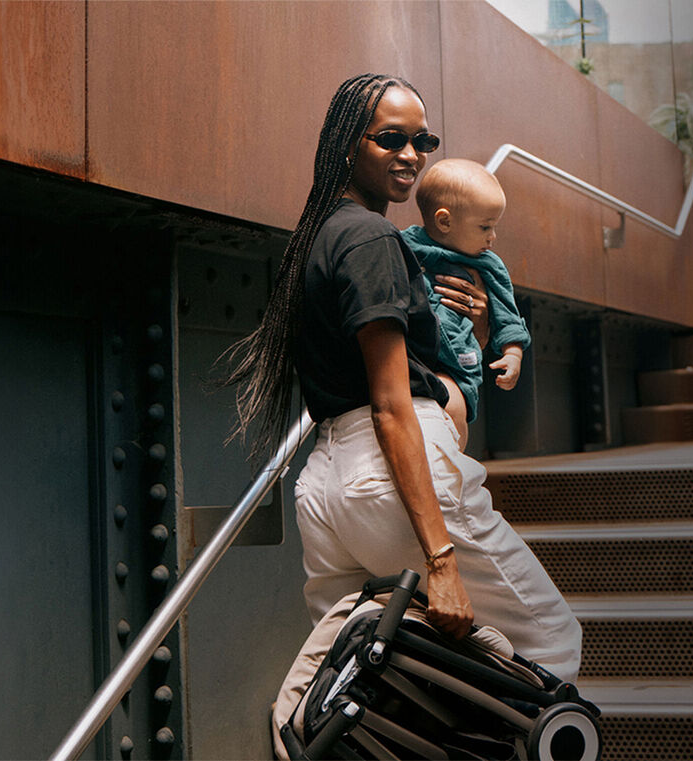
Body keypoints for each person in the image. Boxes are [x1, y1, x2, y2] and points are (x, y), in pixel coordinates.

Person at [220, 73, 582, 682]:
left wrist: (476, 340)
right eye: (391, 139)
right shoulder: (372, 237)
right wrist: (441, 564)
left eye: (423, 140)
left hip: (325, 490)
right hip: (390, 472)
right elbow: (391, 405)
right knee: (550, 642)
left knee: (376, 674)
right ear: (347, 144)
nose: (411, 156)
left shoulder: (316, 235)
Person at [399, 158, 529, 447]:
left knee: (455, 411)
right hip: (413, 354)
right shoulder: (405, 245)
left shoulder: (488, 265)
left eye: (494, 227)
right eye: (485, 227)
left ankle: (454, 465)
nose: (493, 238)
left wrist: (513, 354)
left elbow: (507, 314)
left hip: (459, 360)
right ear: (444, 221)